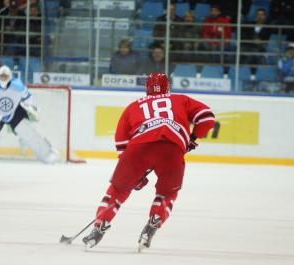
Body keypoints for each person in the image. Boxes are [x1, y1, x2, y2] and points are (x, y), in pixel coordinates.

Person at [82, 72, 215, 250]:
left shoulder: (133, 106)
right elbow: (207, 118)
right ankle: (153, 223)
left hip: (138, 148)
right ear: (168, 87)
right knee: (167, 193)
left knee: (118, 190)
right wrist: (192, 138)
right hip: (172, 149)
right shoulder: (180, 99)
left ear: (147, 88)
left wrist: (134, 175)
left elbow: (122, 143)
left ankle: (99, 227)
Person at [0, 65, 60, 164]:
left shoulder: (18, 86)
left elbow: (28, 98)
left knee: (27, 132)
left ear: (10, 76)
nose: (3, 78)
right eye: (1, 76)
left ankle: (47, 154)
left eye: (5, 76)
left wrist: (31, 107)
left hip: (16, 111)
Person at [241, 8, 271, 77]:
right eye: (258, 14)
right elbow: (245, 36)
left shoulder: (268, 27)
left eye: (262, 14)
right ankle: (252, 72)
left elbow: (268, 39)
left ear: (265, 16)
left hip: (261, 46)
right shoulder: (250, 25)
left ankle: (253, 73)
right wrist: (252, 40)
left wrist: (261, 41)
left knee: (255, 52)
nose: (260, 16)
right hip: (249, 46)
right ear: (255, 16)